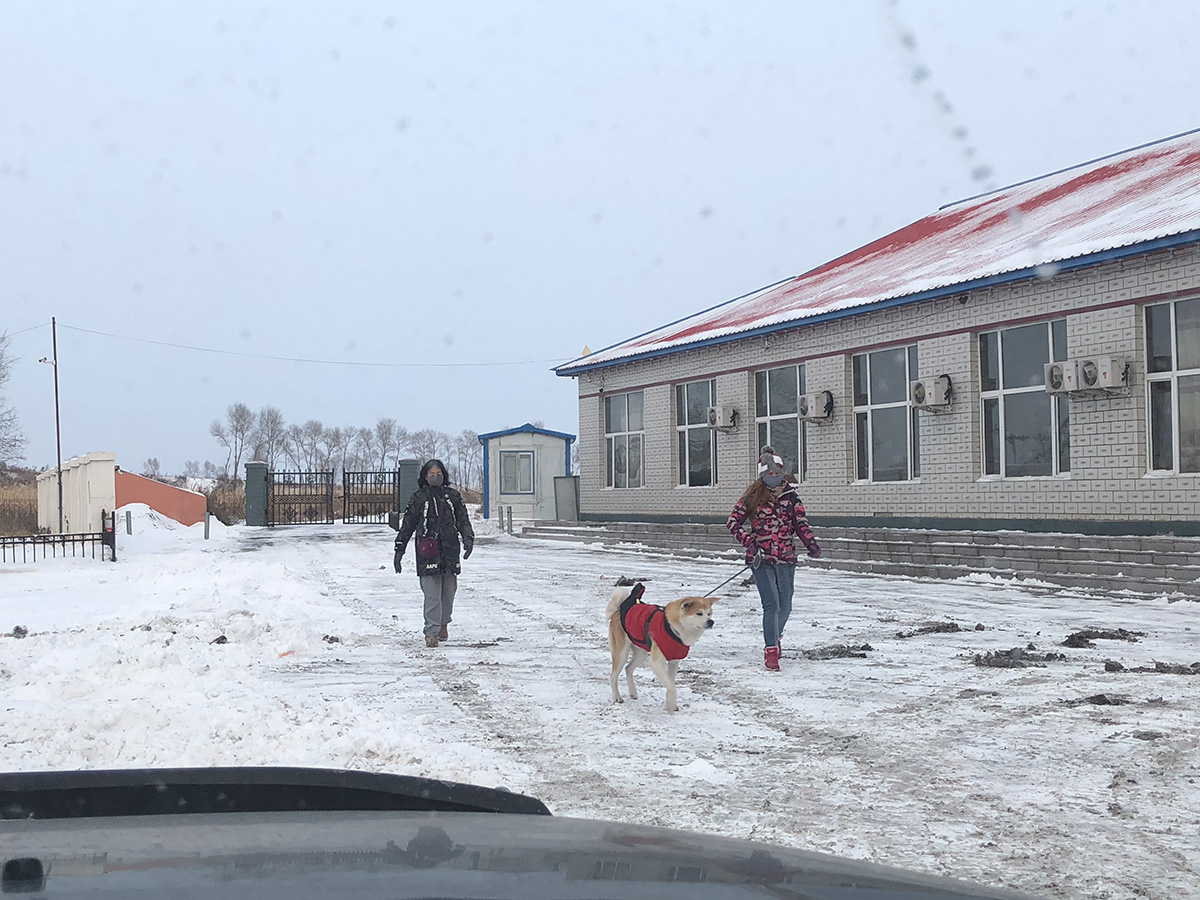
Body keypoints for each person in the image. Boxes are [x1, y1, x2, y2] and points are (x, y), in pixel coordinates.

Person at [726, 447, 821, 671]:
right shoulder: (752, 497)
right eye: (768, 474)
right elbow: (733, 523)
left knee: (785, 606)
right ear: (761, 476)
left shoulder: (791, 496)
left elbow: (800, 523)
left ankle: (776, 635)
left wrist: (811, 543)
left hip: (786, 558)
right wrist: (750, 543)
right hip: (761, 558)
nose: (773, 477)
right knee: (772, 605)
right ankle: (771, 650)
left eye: (776, 473)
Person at [394, 459, 475, 647]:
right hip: (427, 551)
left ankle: (443, 623)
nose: (435, 477)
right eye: (431, 474)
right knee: (431, 593)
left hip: (450, 550)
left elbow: (463, 520)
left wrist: (468, 539)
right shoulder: (418, 498)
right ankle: (431, 631)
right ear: (424, 476)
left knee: (448, 591)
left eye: (438, 473)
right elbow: (407, 526)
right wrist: (399, 549)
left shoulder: (453, 496)